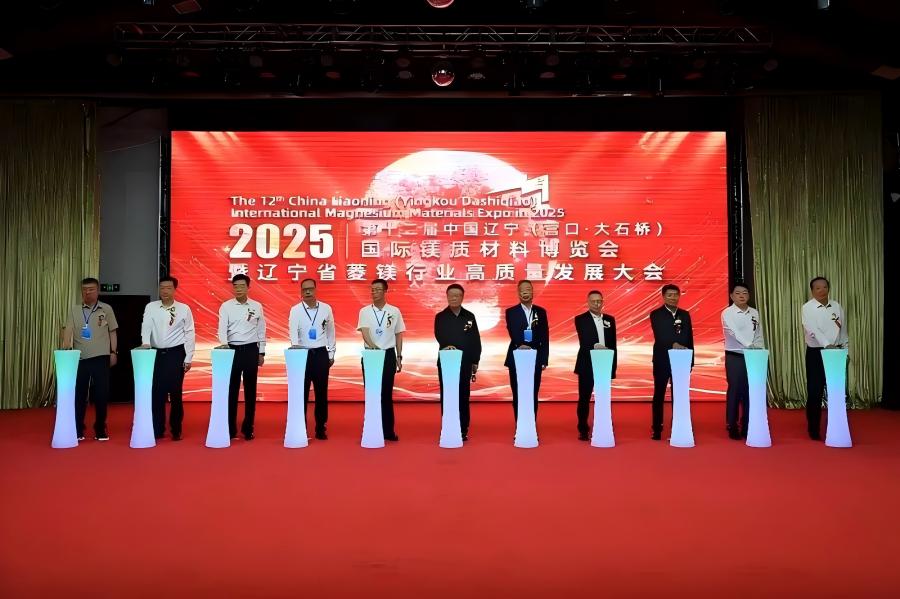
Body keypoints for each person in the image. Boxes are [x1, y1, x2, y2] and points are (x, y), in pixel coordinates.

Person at [61, 277, 119, 441]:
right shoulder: (75, 310)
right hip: (80, 358)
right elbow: (68, 330)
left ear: (98, 290)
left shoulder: (106, 309)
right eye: (85, 289)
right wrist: (66, 348)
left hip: (101, 357)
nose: (88, 292)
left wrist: (113, 352)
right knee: (79, 395)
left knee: (101, 395)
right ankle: (78, 428)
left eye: (91, 289)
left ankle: (100, 428)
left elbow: (112, 331)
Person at [140, 276, 195, 441]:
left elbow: (189, 333)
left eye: (168, 288)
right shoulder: (151, 307)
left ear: (174, 289)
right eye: (162, 288)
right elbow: (146, 326)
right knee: (157, 392)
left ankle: (176, 429)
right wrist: (145, 343)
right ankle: (158, 429)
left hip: (176, 353)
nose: (164, 291)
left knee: (175, 392)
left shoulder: (184, 308)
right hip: (156, 353)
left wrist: (189, 357)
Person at [217, 274, 266, 441]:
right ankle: (230, 429)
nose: (238, 289)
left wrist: (261, 352)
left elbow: (261, 330)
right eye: (235, 286)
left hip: (251, 350)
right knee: (231, 391)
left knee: (250, 391)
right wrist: (224, 345)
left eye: (241, 286)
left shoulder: (256, 306)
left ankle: (248, 428)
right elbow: (222, 328)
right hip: (232, 350)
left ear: (248, 287)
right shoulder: (226, 306)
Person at [356, 279, 405, 441]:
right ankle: (371, 428)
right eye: (372, 289)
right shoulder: (365, 311)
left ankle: (388, 431)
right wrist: (373, 347)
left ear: (385, 291)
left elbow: (398, 334)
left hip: (388, 355)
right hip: (371, 355)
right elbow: (365, 332)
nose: (374, 292)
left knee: (386, 394)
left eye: (378, 289)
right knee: (371, 394)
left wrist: (399, 355)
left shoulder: (394, 311)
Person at [801, 276, 849, 441]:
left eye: (825, 287)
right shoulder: (807, 308)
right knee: (815, 391)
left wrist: (845, 348)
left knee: (836, 391)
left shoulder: (836, 305)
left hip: (836, 352)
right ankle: (813, 428)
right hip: (817, 353)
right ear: (812, 291)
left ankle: (836, 426)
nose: (822, 290)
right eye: (818, 288)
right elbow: (812, 329)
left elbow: (843, 329)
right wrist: (827, 345)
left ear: (829, 288)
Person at [288, 278, 336, 440]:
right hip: (302, 354)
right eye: (304, 289)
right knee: (301, 393)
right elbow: (293, 332)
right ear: (301, 292)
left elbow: (331, 332)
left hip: (321, 354)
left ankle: (321, 427)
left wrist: (331, 353)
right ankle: (300, 427)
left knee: (321, 393)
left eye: (310, 289)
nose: (307, 292)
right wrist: (295, 350)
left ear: (315, 290)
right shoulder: (295, 310)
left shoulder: (326, 308)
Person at [434, 283, 482, 441]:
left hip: (465, 361)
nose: (454, 298)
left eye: (457, 295)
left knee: (463, 394)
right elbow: (439, 335)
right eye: (451, 295)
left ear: (462, 297)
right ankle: (448, 425)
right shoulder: (440, 317)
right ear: (447, 297)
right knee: (447, 395)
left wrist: (475, 359)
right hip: (447, 361)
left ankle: (463, 428)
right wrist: (448, 346)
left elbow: (475, 339)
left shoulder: (469, 316)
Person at [648, 284, 694, 440]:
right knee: (659, 394)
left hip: (681, 361)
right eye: (670, 295)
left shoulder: (685, 314)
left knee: (679, 395)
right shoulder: (656, 314)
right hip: (662, 360)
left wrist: (691, 360)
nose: (673, 298)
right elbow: (660, 335)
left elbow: (689, 338)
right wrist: (673, 344)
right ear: (663, 296)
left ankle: (678, 427)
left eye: (676, 295)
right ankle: (657, 428)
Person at [721, 282, 764, 440]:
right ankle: (732, 425)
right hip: (735, 355)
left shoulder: (754, 312)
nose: (741, 296)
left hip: (753, 356)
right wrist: (748, 345)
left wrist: (759, 348)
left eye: (745, 293)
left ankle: (746, 424)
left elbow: (758, 333)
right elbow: (733, 332)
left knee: (750, 390)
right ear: (732, 296)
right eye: (738, 293)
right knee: (735, 390)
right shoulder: (727, 313)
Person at [573, 290, 618, 441]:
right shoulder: (581, 319)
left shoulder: (610, 320)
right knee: (584, 398)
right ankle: (583, 429)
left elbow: (613, 345)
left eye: (599, 301)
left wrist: (613, 367)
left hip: (604, 363)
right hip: (587, 364)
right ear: (588, 302)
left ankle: (603, 425)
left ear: (602, 301)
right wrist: (596, 346)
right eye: (593, 301)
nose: (597, 304)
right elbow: (584, 340)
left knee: (603, 398)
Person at [504, 280, 549, 422]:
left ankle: (531, 425)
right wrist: (521, 344)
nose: (525, 292)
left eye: (528, 289)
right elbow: (513, 331)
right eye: (522, 290)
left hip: (535, 357)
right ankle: (520, 426)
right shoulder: (511, 312)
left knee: (533, 393)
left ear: (532, 292)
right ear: (518, 293)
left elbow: (545, 336)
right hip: (517, 356)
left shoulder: (540, 312)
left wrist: (544, 359)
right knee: (518, 393)